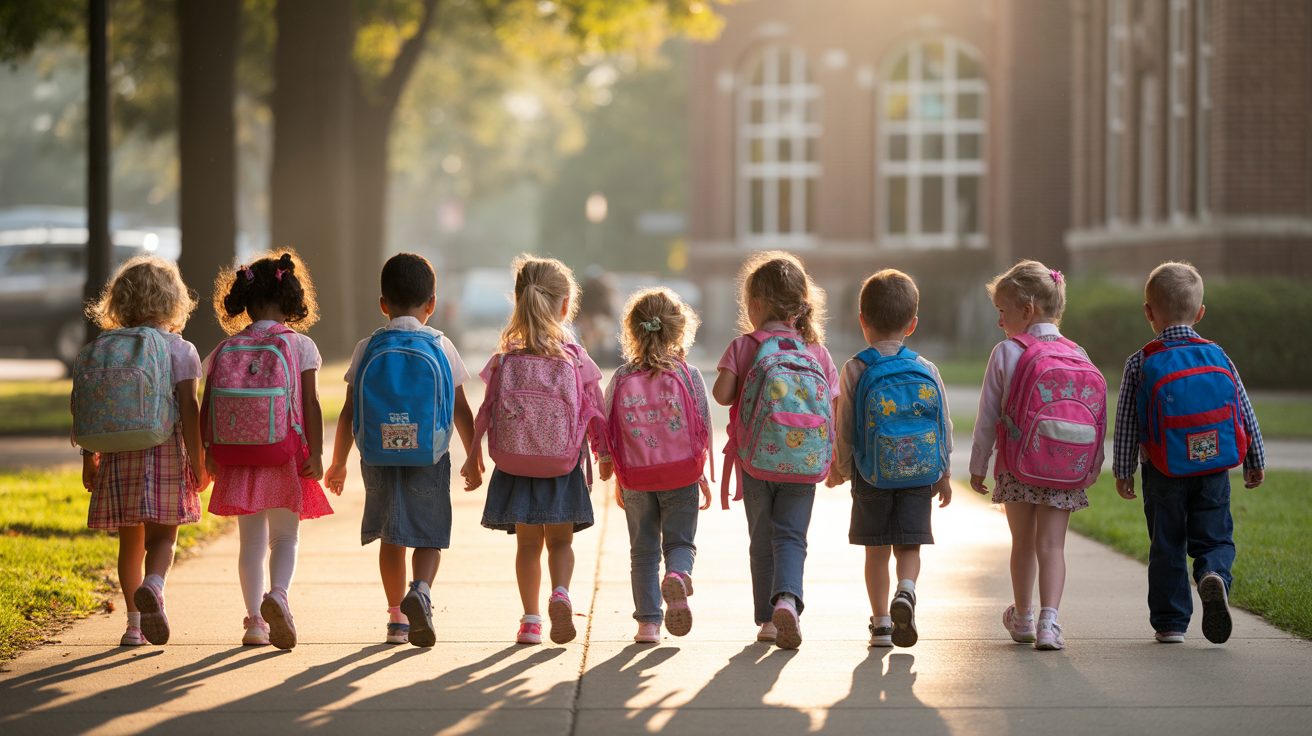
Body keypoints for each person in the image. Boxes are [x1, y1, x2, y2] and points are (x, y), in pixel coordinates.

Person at [324, 253, 476, 647]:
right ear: (432, 304)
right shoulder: (442, 345)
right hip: (428, 455)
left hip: (378, 455)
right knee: (429, 535)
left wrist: (337, 463)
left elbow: (347, 411)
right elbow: (461, 408)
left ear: (383, 304)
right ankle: (421, 591)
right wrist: (474, 457)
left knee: (392, 536)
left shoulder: (366, 346)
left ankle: (396, 620)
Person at [1112, 261, 1264, 645]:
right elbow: (1243, 409)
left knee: (1167, 544)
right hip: (1214, 467)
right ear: (1200, 313)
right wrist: (1255, 459)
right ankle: (1213, 573)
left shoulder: (1142, 360)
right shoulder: (1216, 354)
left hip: (1164, 468)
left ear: (1149, 312)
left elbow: (1128, 420)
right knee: (1214, 536)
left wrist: (1123, 469)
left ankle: (1171, 623)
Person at [461, 255, 606, 646]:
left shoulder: (507, 356)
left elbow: (487, 409)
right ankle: (561, 593)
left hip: (516, 463)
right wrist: (604, 454)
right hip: (561, 465)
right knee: (561, 542)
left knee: (527, 545)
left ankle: (530, 621)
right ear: (564, 305)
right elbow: (596, 408)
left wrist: (473, 456)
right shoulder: (574, 357)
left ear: (518, 299)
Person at [969, 260, 1106, 652]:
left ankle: (1023, 617)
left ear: (1026, 310)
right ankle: (1050, 622)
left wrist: (979, 466)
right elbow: (1094, 419)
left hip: (1018, 467)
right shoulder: (1078, 351)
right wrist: (1090, 467)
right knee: (1052, 546)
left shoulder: (1007, 352)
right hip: (1065, 468)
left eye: (1002, 312)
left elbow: (987, 418)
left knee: (1023, 544)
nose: (999, 322)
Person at [74, 256, 209, 647]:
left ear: (119, 303)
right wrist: (198, 462)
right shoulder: (180, 350)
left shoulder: (106, 347)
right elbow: (189, 408)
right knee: (165, 535)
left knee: (129, 541)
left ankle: (134, 624)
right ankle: (155, 583)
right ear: (174, 302)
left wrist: (89, 455)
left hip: (117, 453)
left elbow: (88, 406)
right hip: (165, 449)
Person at [712, 251, 839, 650]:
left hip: (757, 461)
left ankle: (767, 621)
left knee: (761, 536)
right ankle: (788, 598)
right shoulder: (816, 352)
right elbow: (833, 407)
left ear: (754, 305)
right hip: (804, 464)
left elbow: (722, 396)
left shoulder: (745, 345)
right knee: (792, 537)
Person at [204, 251, 331, 649]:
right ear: (289, 297)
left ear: (246, 301)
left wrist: (208, 451)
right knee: (285, 539)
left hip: (239, 457)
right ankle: (278, 594)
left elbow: (209, 402)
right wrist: (317, 451)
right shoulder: (300, 346)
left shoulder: (227, 347)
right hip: (285, 453)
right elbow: (310, 404)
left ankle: (255, 623)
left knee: (251, 543)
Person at [826, 269, 952, 648]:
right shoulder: (926, 369)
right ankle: (907, 591)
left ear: (861, 320)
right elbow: (942, 422)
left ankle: (881, 623)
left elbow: (845, 426)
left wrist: (841, 468)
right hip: (919, 474)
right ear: (912, 324)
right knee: (909, 545)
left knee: (876, 549)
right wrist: (942, 472)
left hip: (872, 474)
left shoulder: (855, 368)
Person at [598, 287, 713, 644]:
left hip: (636, 476)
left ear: (632, 332)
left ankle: (648, 623)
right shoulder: (689, 374)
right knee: (680, 541)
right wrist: (701, 471)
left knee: (643, 549)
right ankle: (678, 574)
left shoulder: (620, 377)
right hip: (681, 472)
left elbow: (605, 424)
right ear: (680, 330)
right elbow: (703, 426)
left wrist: (607, 466)